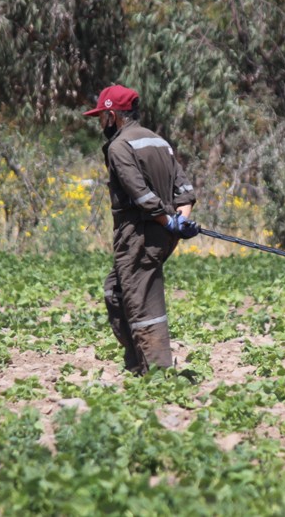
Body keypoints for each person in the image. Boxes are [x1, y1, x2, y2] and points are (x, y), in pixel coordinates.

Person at [83, 85, 199, 375]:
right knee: (117, 291)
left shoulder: (119, 146)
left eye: (101, 117)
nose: (100, 123)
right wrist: (180, 220)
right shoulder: (158, 141)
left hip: (139, 234)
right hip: (162, 231)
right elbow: (185, 191)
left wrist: (167, 220)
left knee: (141, 299)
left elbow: (141, 194)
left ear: (112, 116)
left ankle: (156, 373)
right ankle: (136, 362)